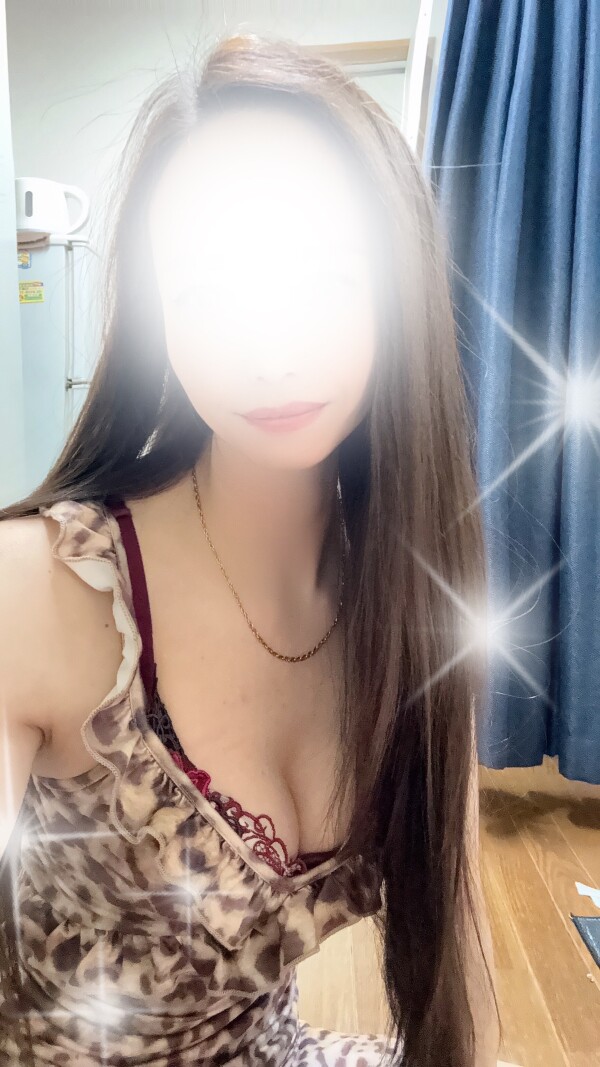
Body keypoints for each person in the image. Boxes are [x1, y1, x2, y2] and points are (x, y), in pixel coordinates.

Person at [0, 31, 501, 1067]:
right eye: (210, 287)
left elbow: (456, 943)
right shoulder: (38, 594)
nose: (271, 348)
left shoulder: (410, 594)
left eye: (319, 275)